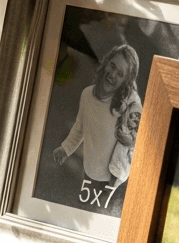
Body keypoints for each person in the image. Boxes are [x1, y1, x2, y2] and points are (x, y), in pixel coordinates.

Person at [52, 45, 141, 211]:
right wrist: (65, 149)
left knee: (87, 208)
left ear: (125, 82)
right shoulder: (87, 94)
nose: (112, 74)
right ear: (106, 62)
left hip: (109, 181)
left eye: (120, 74)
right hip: (88, 169)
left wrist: (130, 140)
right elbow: (79, 129)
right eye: (112, 66)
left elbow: (135, 139)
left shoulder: (128, 106)